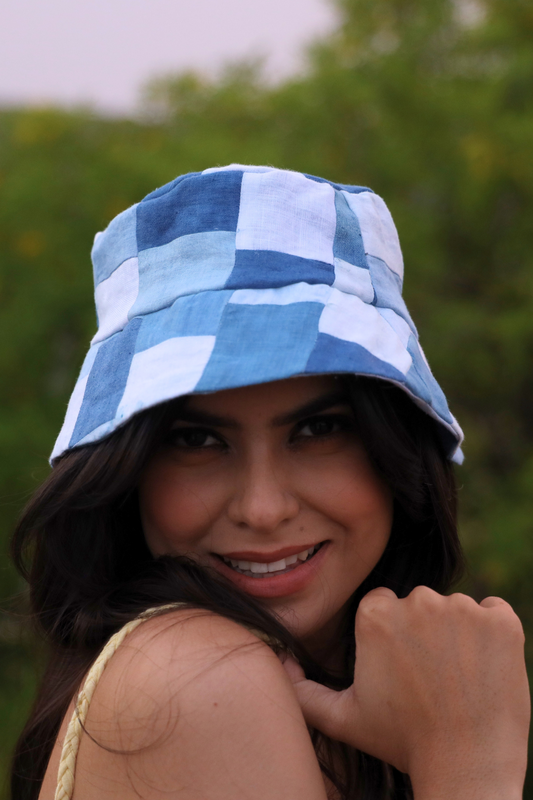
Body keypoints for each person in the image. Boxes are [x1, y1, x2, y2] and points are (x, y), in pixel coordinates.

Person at [10, 165, 529, 800]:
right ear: (130, 471)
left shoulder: (341, 701)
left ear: (395, 446)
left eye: (318, 430)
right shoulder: (196, 678)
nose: (262, 509)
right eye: (196, 439)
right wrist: (470, 767)